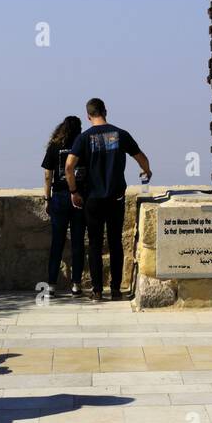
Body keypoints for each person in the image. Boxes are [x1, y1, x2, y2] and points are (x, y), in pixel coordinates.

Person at [65, 98, 151, 301]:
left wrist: (74, 191)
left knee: (94, 244)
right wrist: (147, 171)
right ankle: (115, 289)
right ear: (105, 111)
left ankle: (96, 290)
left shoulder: (84, 138)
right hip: (115, 197)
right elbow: (142, 159)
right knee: (115, 243)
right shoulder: (120, 134)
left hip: (92, 199)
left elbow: (69, 167)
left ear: (88, 116)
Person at [41, 115, 87, 297]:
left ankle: (51, 285)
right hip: (78, 197)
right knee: (77, 242)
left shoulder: (54, 146)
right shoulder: (82, 144)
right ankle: (76, 284)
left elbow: (47, 175)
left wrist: (47, 198)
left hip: (59, 197)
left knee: (57, 242)